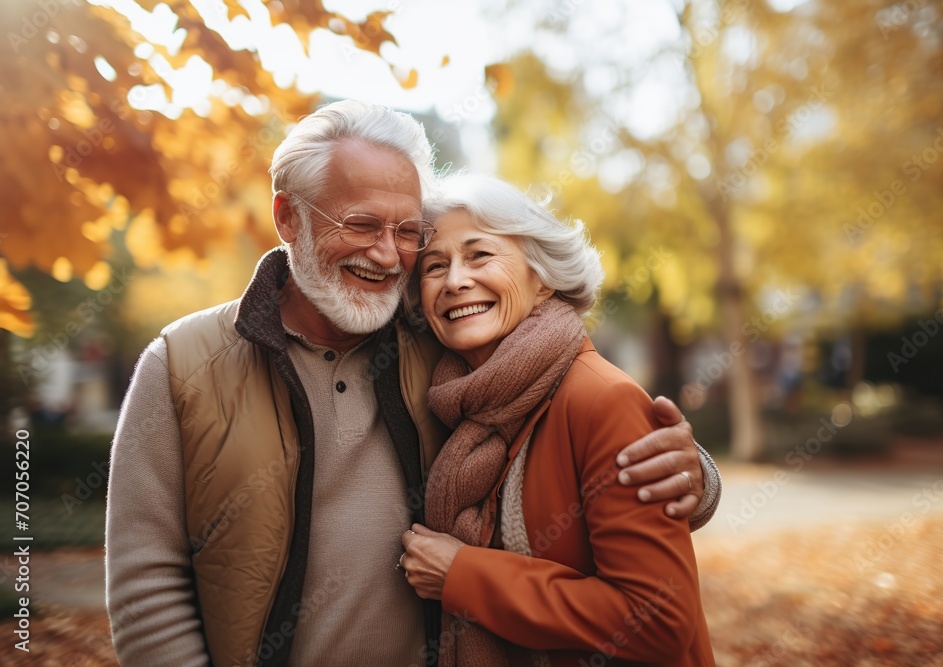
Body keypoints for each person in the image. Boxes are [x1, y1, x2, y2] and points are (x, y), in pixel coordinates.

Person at [105, 100, 721, 667]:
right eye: (362, 223)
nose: (386, 254)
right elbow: (147, 577)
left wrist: (691, 472)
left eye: (406, 233)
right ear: (289, 218)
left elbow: (552, 397)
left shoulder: (439, 350)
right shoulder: (185, 363)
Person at [400, 174, 715, 666]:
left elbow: (656, 620)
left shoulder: (600, 400)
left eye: (480, 255)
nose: (455, 280)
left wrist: (463, 576)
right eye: (434, 266)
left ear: (542, 277)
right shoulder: (456, 400)